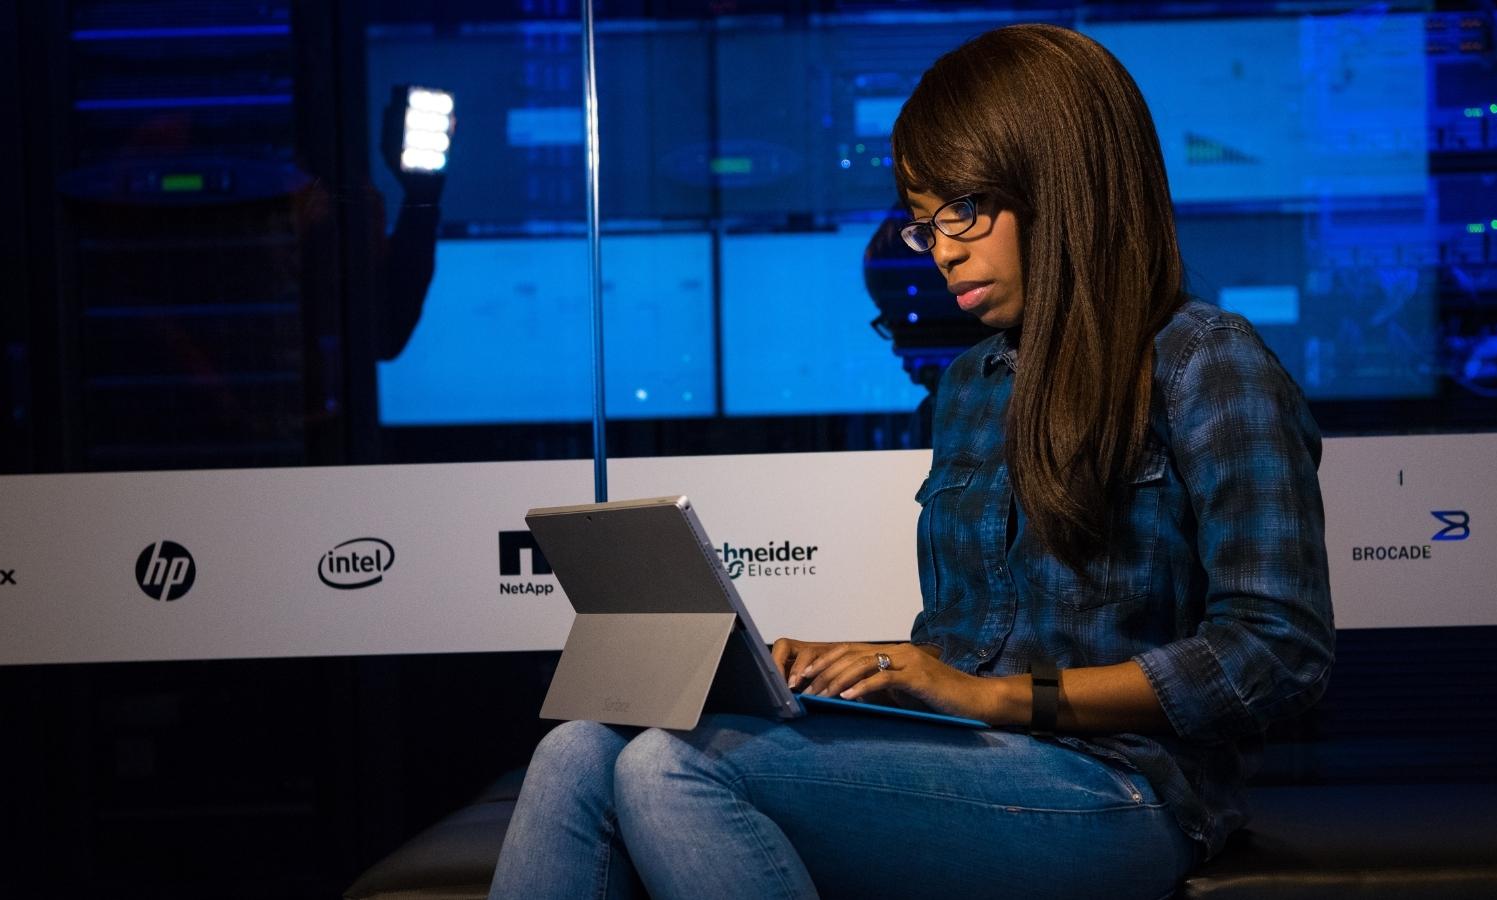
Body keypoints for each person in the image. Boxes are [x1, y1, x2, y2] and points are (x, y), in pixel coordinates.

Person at [488, 23, 1332, 900]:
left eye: (963, 210)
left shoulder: (1208, 363)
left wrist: (995, 699)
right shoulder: (972, 384)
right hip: (972, 757)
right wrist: (873, 665)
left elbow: (1275, 654)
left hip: (1123, 788)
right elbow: (976, 645)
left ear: (1062, 181)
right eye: (926, 226)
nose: (943, 252)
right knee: (583, 745)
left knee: (673, 767)